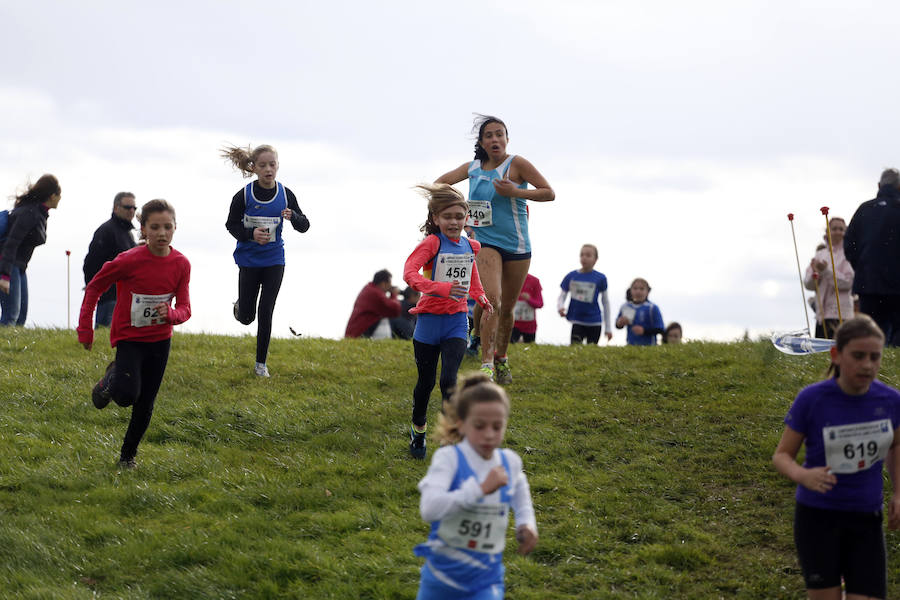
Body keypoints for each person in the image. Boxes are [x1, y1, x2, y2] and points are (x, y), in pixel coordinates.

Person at [772, 316, 900, 600]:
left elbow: (895, 446)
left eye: (874, 357)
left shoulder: (891, 401)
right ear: (836, 355)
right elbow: (782, 456)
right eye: (858, 356)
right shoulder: (812, 399)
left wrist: (899, 493)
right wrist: (803, 475)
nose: (867, 364)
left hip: (866, 517)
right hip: (818, 518)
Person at [436, 115, 554, 384]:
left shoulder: (518, 164)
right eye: (489, 135)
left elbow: (549, 192)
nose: (495, 139)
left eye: (499, 134)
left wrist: (516, 192)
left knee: (508, 308)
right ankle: (486, 363)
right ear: (482, 142)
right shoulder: (473, 168)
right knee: (491, 299)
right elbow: (440, 182)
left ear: (507, 139)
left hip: (517, 244)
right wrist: (458, 207)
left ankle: (500, 357)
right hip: (485, 242)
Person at [78, 199, 190, 469]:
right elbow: (94, 288)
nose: (162, 233)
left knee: (146, 404)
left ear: (175, 228)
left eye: (167, 227)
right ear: (143, 230)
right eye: (155, 227)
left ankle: (127, 458)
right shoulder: (128, 260)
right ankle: (110, 379)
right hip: (130, 339)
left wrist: (171, 315)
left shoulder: (181, 264)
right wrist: (86, 328)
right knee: (127, 396)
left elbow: (185, 308)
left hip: (160, 342)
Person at [413, 373, 537, 599]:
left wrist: (526, 524)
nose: (489, 434)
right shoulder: (449, 459)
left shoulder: (510, 462)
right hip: (441, 581)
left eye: (497, 426)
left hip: (485, 583)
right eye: (479, 426)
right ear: (461, 424)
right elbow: (429, 509)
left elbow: (521, 497)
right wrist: (479, 489)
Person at [403, 183, 492, 459]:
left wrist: (481, 297)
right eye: (447, 216)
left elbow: (472, 277)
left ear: (466, 218)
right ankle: (419, 431)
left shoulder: (469, 244)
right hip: (429, 322)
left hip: (456, 320)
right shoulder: (431, 244)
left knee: (450, 381)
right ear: (435, 219)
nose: (453, 222)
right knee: (425, 384)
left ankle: (448, 440)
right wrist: (439, 288)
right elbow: (409, 273)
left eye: (459, 216)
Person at [223, 144, 310, 377]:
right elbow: (230, 225)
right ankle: (240, 308)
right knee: (247, 317)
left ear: (278, 166)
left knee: (266, 311)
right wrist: (252, 234)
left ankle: (260, 365)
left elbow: (305, 226)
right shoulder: (243, 195)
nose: (268, 169)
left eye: (272, 164)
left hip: (274, 260)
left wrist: (294, 217)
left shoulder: (285, 194)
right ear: (254, 168)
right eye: (263, 165)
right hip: (249, 260)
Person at [844, 168, 900, 346]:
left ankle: (869, 364)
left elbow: (849, 244)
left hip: (868, 283)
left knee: (869, 331)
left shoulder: (864, 210)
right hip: (897, 284)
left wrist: (862, 267)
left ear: (878, 185)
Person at [0, 174, 61, 326]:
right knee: (11, 314)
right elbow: (11, 243)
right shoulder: (29, 213)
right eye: (59, 195)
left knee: (20, 316)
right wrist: (5, 276)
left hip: (19, 267)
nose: (60, 199)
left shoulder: (39, 213)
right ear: (52, 196)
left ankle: (15, 348)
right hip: (9, 265)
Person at [83, 192, 138, 327]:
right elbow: (90, 264)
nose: (131, 211)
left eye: (134, 208)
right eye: (127, 207)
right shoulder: (106, 231)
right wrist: (96, 289)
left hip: (125, 296)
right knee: (105, 332)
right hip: (108, 296)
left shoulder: (128, 234)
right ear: (116, 208)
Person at [804, 217, 853, 339]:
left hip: (841, 314)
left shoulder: (848, 254)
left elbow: (848, 283)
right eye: (834, 229)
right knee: (821, 354)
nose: (837, 232)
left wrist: (825, 271)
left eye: (841, 229)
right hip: (821, 315)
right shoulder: (820, 255)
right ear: (827, 232)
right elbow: (808, 285)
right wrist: (816, 274)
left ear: (845, 232)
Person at [558, 244, 611, 345]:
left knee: (591, 352)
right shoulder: (571, 276)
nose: (584, 258)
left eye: (588, 255)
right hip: (577, 320)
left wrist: (608, 328)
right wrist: (560, 307)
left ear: (595, 259)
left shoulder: (601, 278)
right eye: (582, 255)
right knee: (575, 349)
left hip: (595, 322)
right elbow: (562, 295)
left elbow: (606, 302)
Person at [345, 269, 403, 339]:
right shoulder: (375, 294)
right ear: (383, 283)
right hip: (358, 334)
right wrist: (394, 295)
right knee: (384, 321)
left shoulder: (369, 289)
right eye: (389, 284)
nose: (390, 288)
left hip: (355, 332)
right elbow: (395, 309)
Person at [615, 278, 665, 346]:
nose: (638, 291)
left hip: (649, 347)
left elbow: (660, 329)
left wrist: (644, 331)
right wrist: (620, 323)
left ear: (647, 292)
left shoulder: (652, 308)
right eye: (635, 288)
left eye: (642, 289)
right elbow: (617, 325)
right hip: (630, 346)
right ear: (630, 290)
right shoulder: (625, 306)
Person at [510, 272, 542, 343]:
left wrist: (529, 299)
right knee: (510, 348)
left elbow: (540, 304)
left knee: (530, 349)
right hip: (512, 325)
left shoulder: (534, 281)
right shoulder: (508, 279)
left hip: (529, 326)